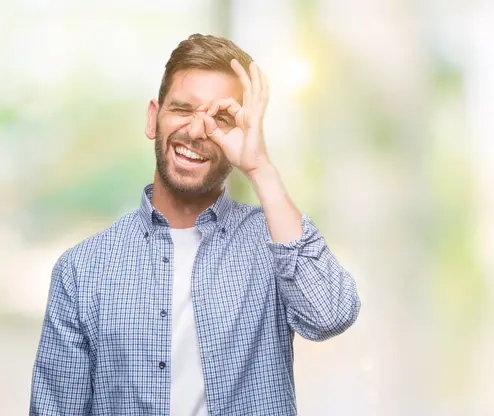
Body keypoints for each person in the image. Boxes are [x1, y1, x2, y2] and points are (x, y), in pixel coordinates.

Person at [29, 33, 361, 416]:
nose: (197, 130)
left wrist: (259, 167)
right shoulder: (81, 269)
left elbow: (330, 315)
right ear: (154, 117)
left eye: (221, 118)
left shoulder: (273, 242)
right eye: (183, 109)